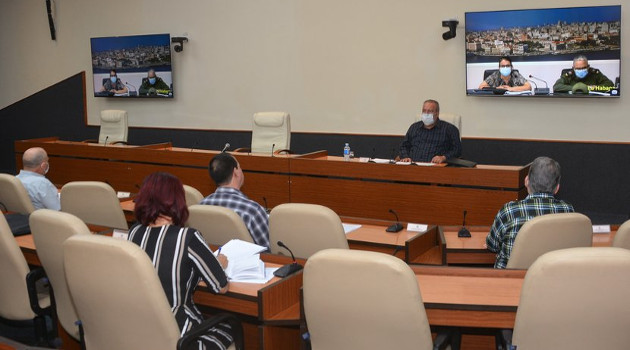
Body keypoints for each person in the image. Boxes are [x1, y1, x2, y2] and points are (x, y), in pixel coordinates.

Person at [128, 172, 234, 350]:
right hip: (180, 334)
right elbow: (220, 286)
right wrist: (219, 263)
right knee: (229, 328)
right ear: (178, 200)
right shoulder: (187, 237)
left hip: (142, 328)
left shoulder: (134, 232)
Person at [486, 156, 574, 268]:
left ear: (526, 181)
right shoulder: (568, 211)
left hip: (510, 280)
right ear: (557, 188)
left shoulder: (509, 211)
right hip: (550, 280)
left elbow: (492, 245)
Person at [201, 153, 270, 248]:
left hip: (213, 260)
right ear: (236, 172)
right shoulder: (252, 211)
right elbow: (270, 252)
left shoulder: (201, 205)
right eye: (240, 167)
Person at [399, 99, 462, 164]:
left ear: (437, 113)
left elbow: (457, 150)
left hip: (436, 169)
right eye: (424, 111)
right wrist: (405, 157)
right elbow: (404, 146)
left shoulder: (449, 129)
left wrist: (444, 157)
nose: (426, 114)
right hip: (413, 167)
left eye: (429, 111)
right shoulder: (414, 127)